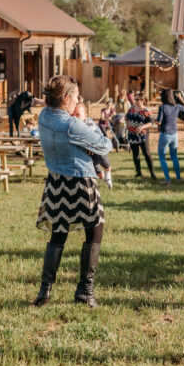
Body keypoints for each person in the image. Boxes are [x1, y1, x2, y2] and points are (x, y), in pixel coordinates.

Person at [33, 75, 113, 308]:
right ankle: (85, 291)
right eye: (76, 96)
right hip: (79, 182)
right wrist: (93, 131)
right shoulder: (71, 124)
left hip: (55, 181)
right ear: (67, 99)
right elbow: (105, 146)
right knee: (94, 233)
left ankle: (45, 290)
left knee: (58, 236)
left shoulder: (44, 116)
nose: (79, 100)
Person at [74, 98, 113, 189]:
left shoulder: (89, 122)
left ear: (85, 116)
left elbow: (90, 134)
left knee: (103, 159)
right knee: (97, 171)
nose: (75, 117)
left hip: (97, 147)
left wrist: (89, 145)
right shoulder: (74, 125)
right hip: (88, 153)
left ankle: (108, 173)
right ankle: (103, 177)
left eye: (78, 115)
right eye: (73, 115)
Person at [156, 88, 184, 183]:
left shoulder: (162, 107)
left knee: (162, 157)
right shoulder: (177, 106)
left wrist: (152, 119)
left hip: (165, 134)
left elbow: (159, 122)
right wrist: (180, 98)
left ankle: (167, 179)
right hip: (174, 135)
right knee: (174, 157)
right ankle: (178, 178)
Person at [125, 92, 156, 180]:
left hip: (143, 136)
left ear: (143, 100)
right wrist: (127, 125)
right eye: (135, 99)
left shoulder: (146, 111)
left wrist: (143, 126)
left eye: (137, 99)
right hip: (132, 135)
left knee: (147, 154)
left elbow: (151, 123)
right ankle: (138, 172)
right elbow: (126, 117)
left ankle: (152, 173)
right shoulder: (131, 109)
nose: (135, 101)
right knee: (135, 155)